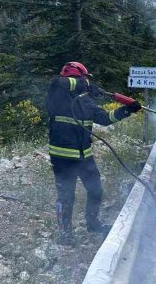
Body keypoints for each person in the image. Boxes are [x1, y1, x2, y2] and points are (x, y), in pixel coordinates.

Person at [46, 61, 141, 244]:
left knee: (96, 190)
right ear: (75, 78)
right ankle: (65, 235)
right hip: (63, 158)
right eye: (83, 79)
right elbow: (61, 83)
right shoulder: (57, 92)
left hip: (84, 156)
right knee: (67, 196)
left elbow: (105, 119)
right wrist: (85, 85)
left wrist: (127, 110)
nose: (85, 82)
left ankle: (93, 223)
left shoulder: (86, 101)